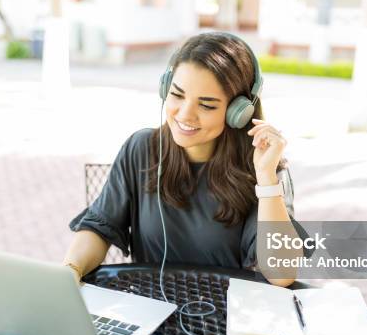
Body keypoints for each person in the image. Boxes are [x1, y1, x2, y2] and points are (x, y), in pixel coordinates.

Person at [63, 32, 307, 287]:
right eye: (177, 95)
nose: (185, 115)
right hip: (147, 309)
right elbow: (99, 228)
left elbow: (282, 275)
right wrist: (70, 269)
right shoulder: (141, 148)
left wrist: (267, 179)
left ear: (239, 112)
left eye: (207, 105)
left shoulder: (264, 168)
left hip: (222, 319)